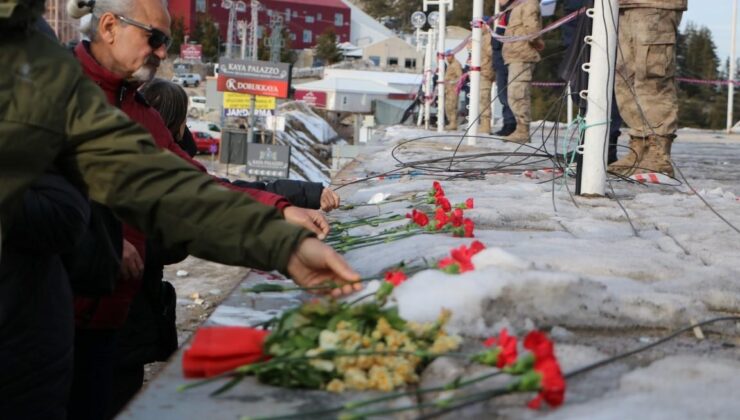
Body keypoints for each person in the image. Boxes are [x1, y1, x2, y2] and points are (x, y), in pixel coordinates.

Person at [0, 2, 360, 419]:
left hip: (55, 337)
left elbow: (155, 182)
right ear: (110, 26)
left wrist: (277, 233)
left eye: (167, 42)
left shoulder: (41, 59)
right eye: (154, 39)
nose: (161, 53)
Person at [609, 0, 686, 176]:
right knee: (625, 79)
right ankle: (639, 147)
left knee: (652, 77)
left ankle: (658, 152)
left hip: (655, 6)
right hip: (622, 6)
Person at [502, 0, 543, 143]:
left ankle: (523, 130)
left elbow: (532, 30)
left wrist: (537, 43)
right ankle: (520, 129)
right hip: (515, 56)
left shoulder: (529, 4)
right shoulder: (519, 5)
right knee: (513, 94)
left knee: (518, 93)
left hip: (522, 55)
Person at [492, 4, 517, 136]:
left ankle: (511, 124)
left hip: (507, 60)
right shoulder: (504, 15)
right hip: (500, 62)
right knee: (503, 96)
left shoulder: (513, 13)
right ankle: (507, 123)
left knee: (510, 95)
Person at [478, 21, 495, 133]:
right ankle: (484, 123)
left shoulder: (488, 37)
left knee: (484, 98)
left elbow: (490, 52)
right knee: (482, 98)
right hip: (483, 70)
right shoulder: (483, 37)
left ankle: (486, 125)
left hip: (486, 70)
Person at [443, 50, 463, 131]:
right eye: (446, 56)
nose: (447, 58)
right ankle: (451, 122)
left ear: (452, 56)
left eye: (449, 56)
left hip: (453, 89)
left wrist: (453, 83)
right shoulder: (450, 65)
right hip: (448, 89)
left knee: (452, 106)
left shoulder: (456, 64)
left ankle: (453, 123)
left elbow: (460, 77)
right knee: (448, 106)